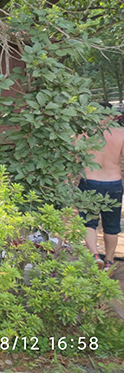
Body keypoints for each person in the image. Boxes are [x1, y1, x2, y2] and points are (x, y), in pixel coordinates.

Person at [79, 103, 124, 268]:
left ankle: (95, 255)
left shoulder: (82, 135)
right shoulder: (120, 134)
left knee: (88, 222)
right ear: (111, 116)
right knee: (111, 225)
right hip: (113, 184)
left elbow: (73, 161)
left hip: (89, 182)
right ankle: (109, 261)